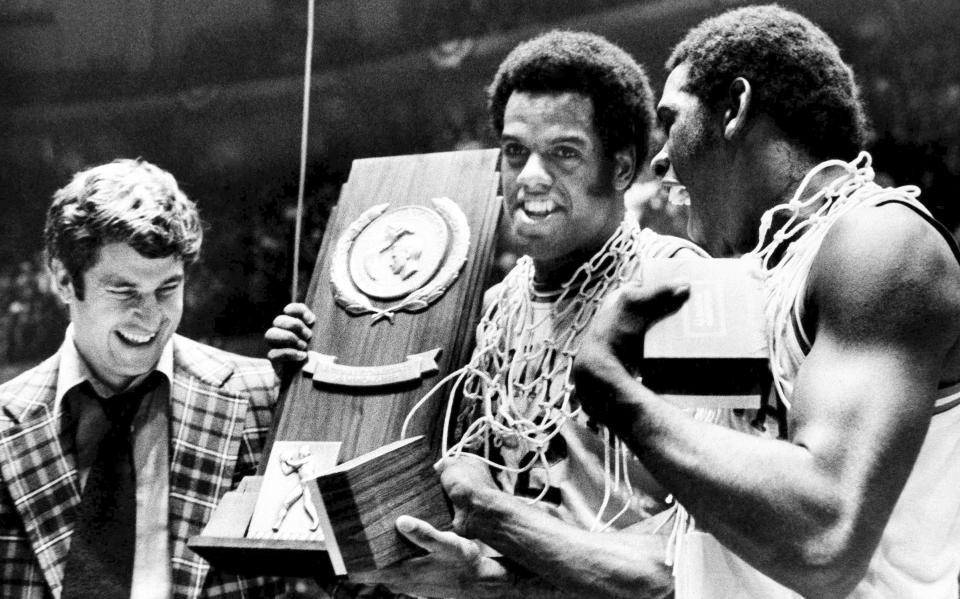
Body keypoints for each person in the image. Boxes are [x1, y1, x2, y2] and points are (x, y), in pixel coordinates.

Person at [267, 30, 705, 598]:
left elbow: (685, 561)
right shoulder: (499, 305)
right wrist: (312, 387)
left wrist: (491, 539)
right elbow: (452, 496)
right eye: (516, 151)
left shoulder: (676, 288)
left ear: (622, 168)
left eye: (564, 153)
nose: (529, 177)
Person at [572, 5, 960, 598]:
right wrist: (489, 544)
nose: (658, 159)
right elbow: (691, 551)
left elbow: (824, 540)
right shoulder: (758, 273)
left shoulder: (879, 243)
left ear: (734, 108)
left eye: (670, 120)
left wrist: (614, 395)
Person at [0, 159, 284, 599]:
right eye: (124, 291)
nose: (151, 317)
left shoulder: (264, 398)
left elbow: (355, 577)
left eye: (168, 289)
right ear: (61, 279)